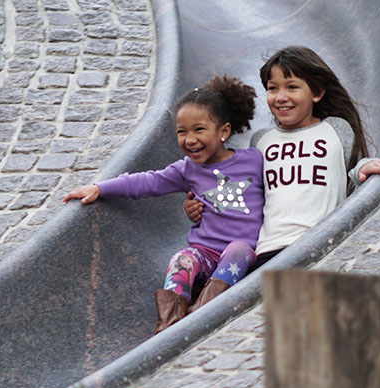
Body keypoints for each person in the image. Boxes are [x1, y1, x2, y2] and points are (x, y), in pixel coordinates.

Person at [64, 75, 265, 334]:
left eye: (199, 129)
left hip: (242, 257)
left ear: (223, 131)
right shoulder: (188, 170)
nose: (189, 139)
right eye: (182, 132)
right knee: (182, 258)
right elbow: (148, 182)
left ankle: (204, 312)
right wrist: (101, 187)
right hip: (205, 254)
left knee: (239, 249)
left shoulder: (254, 162)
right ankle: (170, 323)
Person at [185, 46, 380, 272]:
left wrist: (366, 166)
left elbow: (352, 168)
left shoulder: (335, 128)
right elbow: (245, 194)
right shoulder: (262, 140)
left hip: (319, 243)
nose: (281, 97)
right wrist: (199, 205)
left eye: (292, 87)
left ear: (316, 93)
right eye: (272, 88)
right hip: (268, 252)